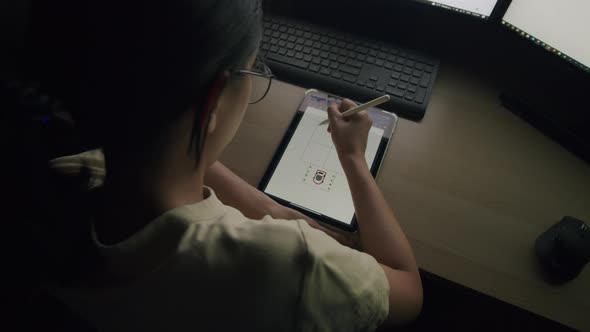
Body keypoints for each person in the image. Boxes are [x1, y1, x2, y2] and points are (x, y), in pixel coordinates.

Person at [42, 0, 422, 330]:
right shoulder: (290, 265)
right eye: (252, 70)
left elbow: (153, 142)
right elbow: (407, 288)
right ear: (213, 103)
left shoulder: (62, 178)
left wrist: (274, 210)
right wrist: (353, 158)